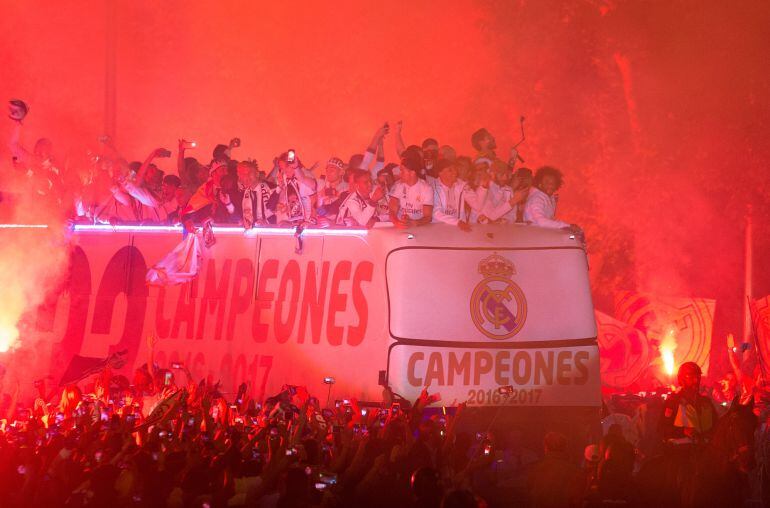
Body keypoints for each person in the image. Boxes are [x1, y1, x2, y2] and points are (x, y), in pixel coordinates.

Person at [660, 362, 719, 443]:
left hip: (706, 449)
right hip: (681, 451)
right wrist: (683, 431)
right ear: (682, 379)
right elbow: (662, 430)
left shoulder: (706, 402)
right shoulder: (673, 402)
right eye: (691, 377)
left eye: (698, 377)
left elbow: (717, 426)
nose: (696, 380)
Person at [431, 159, 486, 231]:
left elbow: (477, 206)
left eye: (455, 169)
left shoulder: (463, 186)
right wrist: (457, 222)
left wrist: (483, 187)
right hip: (438, 228)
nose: (455, 172)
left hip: (459, 229)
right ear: (440, 173)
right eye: (450, 170)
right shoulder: (432, 187)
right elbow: (436, 213)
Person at [389, 146, 434, 228]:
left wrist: (414, 223)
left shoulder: (427, 188)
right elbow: (392, 210)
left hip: (419, 227)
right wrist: (396, 222)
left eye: (402, 171)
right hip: (401, 226)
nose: (400, 174)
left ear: (412, 173)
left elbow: (428, 217)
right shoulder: (398, 186)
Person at [523, 166, 578, 231]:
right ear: (539, 184)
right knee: (571, 238)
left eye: (553, 183)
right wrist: (567, 226)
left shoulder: (548, 198)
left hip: (541, 234)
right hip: (533, 236)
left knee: (571, 238)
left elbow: (549, 220)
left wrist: (566, 226)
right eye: (547, 182)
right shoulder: (537, 198)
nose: (550, 185)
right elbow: (541, 222)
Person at [273, 151, 317, 225]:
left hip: (310, 225)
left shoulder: (305, 178)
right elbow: (278, 204)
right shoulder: (288, 183)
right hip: (296, 225)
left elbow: (302, 178)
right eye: (281, 168)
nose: (283, 171)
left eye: (286, 167)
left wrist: (296, 168)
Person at [235, 160, 276, 227]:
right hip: (251, 234)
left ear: (257, 174)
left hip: (271, 233)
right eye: (241, 175)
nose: (245, 177)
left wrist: (267, 221)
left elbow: (279, 211)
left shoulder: (271, 188)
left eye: (248, 173)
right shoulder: (242, 194)